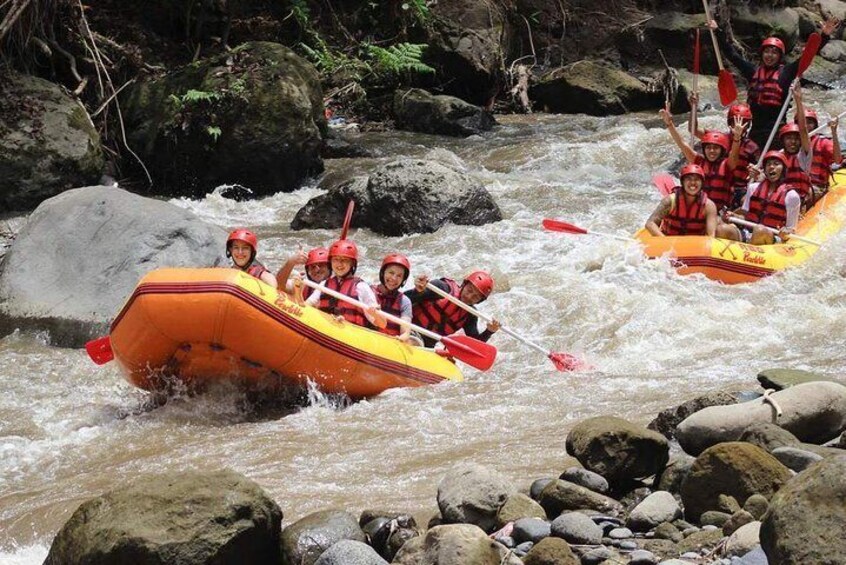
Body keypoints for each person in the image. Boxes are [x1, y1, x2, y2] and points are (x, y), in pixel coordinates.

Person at [713, 16, 841, 148]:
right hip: (755, 131)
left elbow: (809, 54)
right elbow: (733, 56)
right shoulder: (752, 72)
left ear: (780, 56)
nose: (769, 55)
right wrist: (717, 32)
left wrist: (824, 35)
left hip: (777, 132)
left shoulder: (787, 73)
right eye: (767, 52)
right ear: (762, 54)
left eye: (774, 53)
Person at [660, 103, 743, 211]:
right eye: (708, 148)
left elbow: (734, 153)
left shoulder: (728, 164)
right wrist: (669, 124)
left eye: (715, 148)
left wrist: (737, 137)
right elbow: (681, 143)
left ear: (722, 150)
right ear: (704, 149)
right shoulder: (698, 161)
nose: (712, 151)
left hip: (718, 213)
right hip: (698, 210)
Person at [722, 151, 801, 245]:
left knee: (760, 230)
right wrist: (735, 216)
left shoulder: (792, 196)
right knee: (722, 229)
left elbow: (791, 228)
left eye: (776, 164)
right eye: (768, 164)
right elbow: (746, 216)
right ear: (765, 170)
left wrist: (785, 232)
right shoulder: (753, 188)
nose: (771, 167)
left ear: (784, 169)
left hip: (773, 237)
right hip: (749, 233)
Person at [406, 271, 501, 349]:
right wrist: (418, 291)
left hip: (428, 345)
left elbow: (475, 345)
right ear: (464, 285)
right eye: (469, 290)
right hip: (407, 327)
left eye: (475, 297)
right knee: (414, 342)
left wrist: (489, 331)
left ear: (479, 301)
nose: (469, 296)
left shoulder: (469, 315)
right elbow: (404, 299)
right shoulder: (441, 288)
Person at [305, 239, 386, 329]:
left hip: (351, 335)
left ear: (352, 263)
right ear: (330, 262)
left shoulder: (361, 287)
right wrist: (298, 290)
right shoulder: (325, 284)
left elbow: (382, 324)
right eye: (336, 259)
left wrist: (375, 314)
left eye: (344, 260)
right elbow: (307, 306)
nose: (339, 264)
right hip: (326, 330)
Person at [645, 164, 721, 238]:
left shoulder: (709, 206)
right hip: (669, 241)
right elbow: (650, 223)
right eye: (689, 179)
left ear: (702, 183)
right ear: (682, 182)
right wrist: (665, 241)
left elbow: (710, 236)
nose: (693, 183)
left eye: (697, 179)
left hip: (695, 245)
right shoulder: (670, 201)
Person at [372, 253, 415, 343]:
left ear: (403, 279)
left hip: (391, 343)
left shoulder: (405, 301)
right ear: (383, 273)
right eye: (391, 273)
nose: (394, 278)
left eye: (399, 276)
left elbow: (405, 331)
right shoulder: (369, 292)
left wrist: (404, 337)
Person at [798, 107, 842, 193]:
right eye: (804, 123)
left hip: (817, 186)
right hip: (798, 185)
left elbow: (838, 160)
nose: (806, 126)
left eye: (810, 123)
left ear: (815, 125)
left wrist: (834, 132)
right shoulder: (793, 144)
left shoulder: (823, 142)